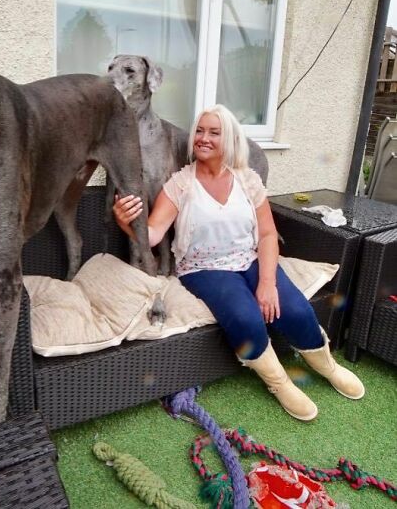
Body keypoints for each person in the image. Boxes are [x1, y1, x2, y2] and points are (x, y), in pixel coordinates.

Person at [113, 104, 364, 421]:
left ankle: (328, 366)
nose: (203, 138)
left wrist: (268, 283)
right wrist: (127, 222)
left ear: (229, 139)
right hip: (205, 269)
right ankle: (280, 383)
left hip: (250, 259)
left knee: (296, 309)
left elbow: (268, 235)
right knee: (247, 320)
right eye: (200, 131)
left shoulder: (247, 180)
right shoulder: (180, 184)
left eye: (213, 133)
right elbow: (151, 234)